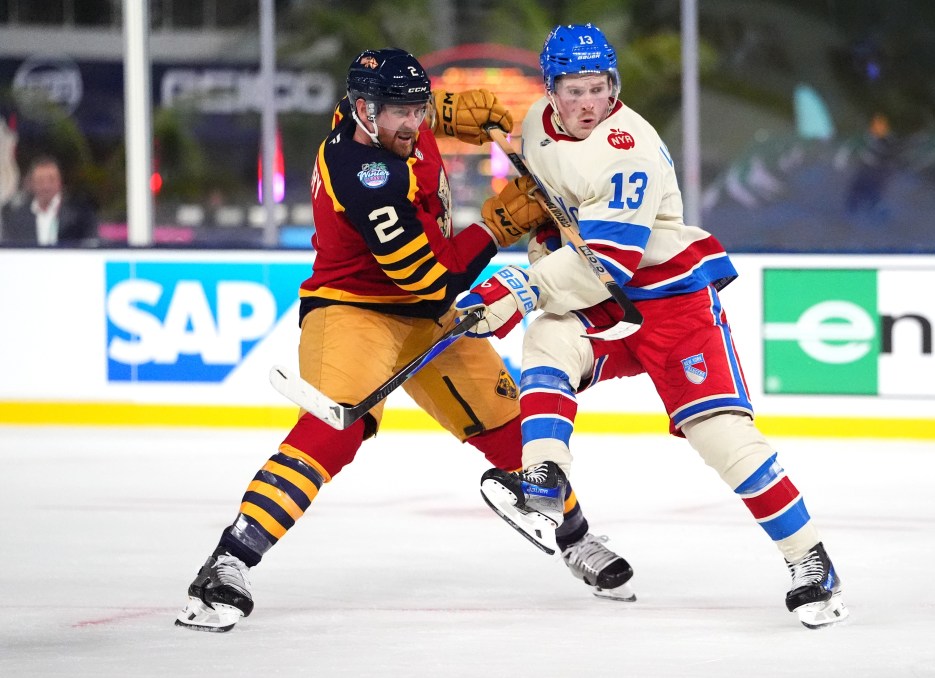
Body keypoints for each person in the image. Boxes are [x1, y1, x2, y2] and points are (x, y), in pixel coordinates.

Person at [176, 47, 634, 633]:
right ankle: (227, 563)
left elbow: (422, 117)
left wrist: (452, 108)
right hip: (356, 309)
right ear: (363, 110)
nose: (412, 123)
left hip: (429, 311)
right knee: (332, 434)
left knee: (518, 434)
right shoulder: (364, 174)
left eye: (419, 109)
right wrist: (497, 226)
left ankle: (575, 540)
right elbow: (430, 283)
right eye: (400, 112)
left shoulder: (383, 119)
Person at [457, 24, 849, 629]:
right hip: (606, 297)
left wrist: (516, 288)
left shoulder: (626, 146)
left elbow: (607, 261)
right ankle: (542, 479)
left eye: (599, 88)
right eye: (576, 90)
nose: (590, 102)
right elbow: (556, 206)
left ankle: (811, 562)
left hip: (669, 301)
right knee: (551, 339)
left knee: (723, 438)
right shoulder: (535, 121)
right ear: (551, 90)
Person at [0, 155, 96, 246]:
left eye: (51, 180)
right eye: (40, 181)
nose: (46, 186)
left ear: (60, 182)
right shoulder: (16, 218)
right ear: (32, 183)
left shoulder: (79, 216)